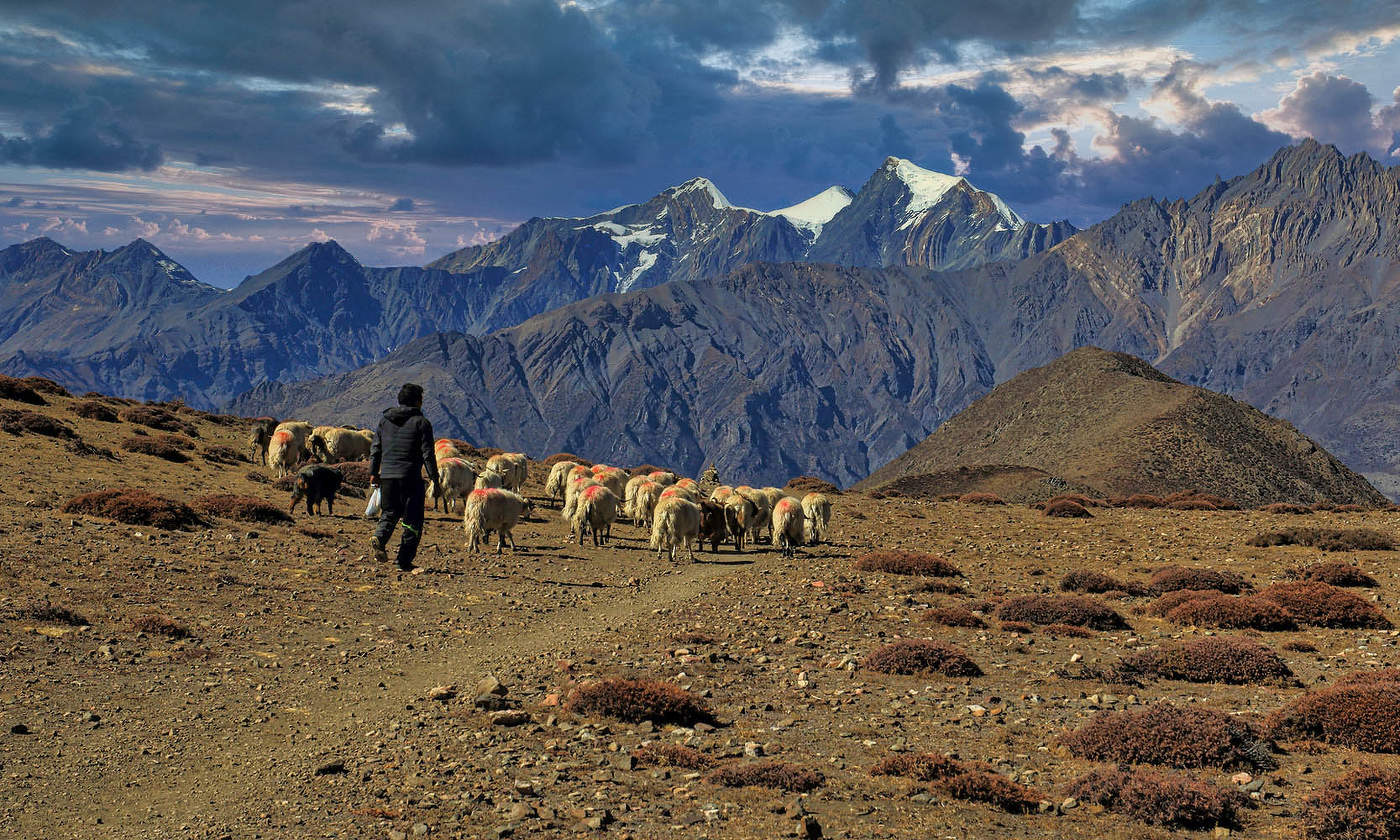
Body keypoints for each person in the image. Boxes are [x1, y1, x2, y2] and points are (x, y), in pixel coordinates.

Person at [369, 383, 440, 572]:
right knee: (413, 520)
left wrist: (373, 473)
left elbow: (375, 449)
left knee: (389, 512)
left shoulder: (385, 421)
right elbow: (428, 454)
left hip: (388, 477)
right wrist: (435, 478)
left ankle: (380, 537)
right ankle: (403, 560)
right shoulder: (422, 423)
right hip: (410, 478)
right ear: (418, 401)